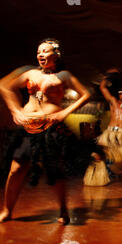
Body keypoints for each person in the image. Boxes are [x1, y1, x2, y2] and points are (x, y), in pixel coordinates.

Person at [0, 38, 90, 224]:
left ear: (56, 55)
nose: (40, 54)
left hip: (50, 127)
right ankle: (7, 210)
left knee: (54, 170)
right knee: (16, 169)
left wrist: (64, 112)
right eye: (39, 51)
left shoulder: (64, 76)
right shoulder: (30, 73)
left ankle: (64, 211)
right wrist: (15, 109)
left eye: (45, 51)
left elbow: (87, 94)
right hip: (28, 128)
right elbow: (4, 86)